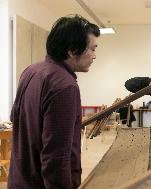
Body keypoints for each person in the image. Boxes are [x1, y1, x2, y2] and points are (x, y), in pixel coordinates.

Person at [8, 15, 100, 189]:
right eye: (92, 49)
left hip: (19, 180)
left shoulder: (31, 71)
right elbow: (56, 158)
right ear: (72, 50)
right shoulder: (65, 86)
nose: (94, 56)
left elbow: (16, 119)